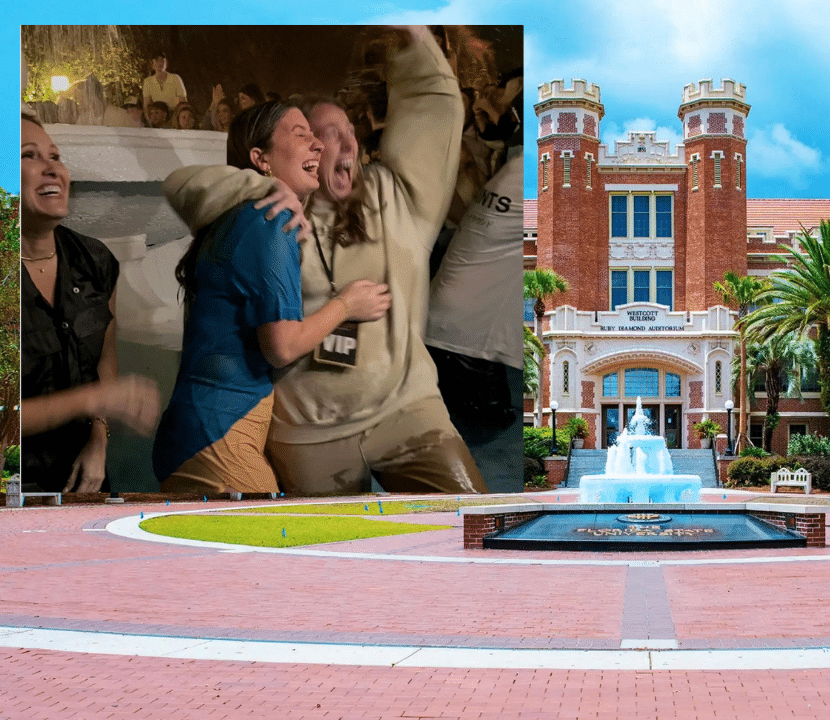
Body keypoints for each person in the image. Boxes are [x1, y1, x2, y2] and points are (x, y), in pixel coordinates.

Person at [165, 26, 486, 495]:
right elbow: (181, 185)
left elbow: (432, 102)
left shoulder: (395, 197)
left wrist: (411, 32)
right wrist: (262, 186)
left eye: (349, 132)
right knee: (329, 555)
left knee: (471, 520)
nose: (343, 144)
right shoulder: (274, 215)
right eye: (321, 134)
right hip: (304, 433)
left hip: (407, 411)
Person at [154, 101, 391, 494]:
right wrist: (348, 304)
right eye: (301, 135)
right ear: (260, 159)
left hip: (200, 428)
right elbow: (281, 347)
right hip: (219, 433)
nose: (317, 145)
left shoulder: (240, 214)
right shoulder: (271, 219)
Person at [20, 113, 161, 493]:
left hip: (84, 481)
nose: (52, 168)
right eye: (29, 156)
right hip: (14, 488)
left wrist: (98, 438)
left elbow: (104, 359)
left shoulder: (95, 261)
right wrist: (94, 399)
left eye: (55, 156)